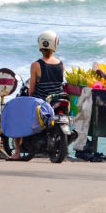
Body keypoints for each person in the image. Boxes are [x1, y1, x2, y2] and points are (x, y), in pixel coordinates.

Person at [9, 29, 64, 160]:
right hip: (57, 99)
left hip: (41, 101)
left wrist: (28, 96)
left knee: (18, 117)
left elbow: (32, 89)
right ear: (55, 44)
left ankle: (17, 152)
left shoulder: (36, 65)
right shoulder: (61, 64)